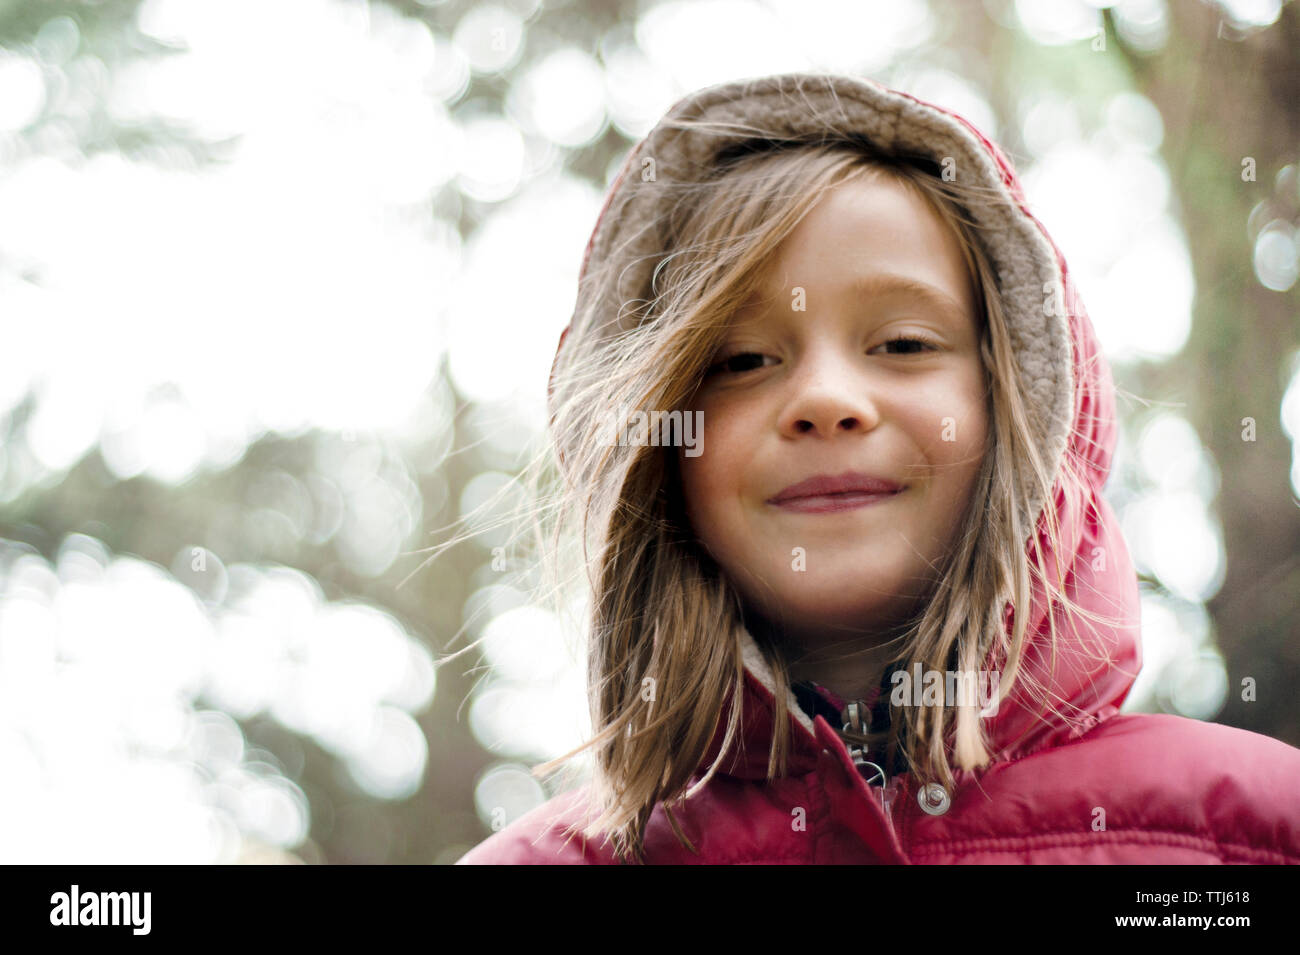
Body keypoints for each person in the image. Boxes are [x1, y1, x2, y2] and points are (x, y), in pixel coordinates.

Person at [456, 72, 1300, 864]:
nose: (824, 399)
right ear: (663, 445)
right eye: (743, 359)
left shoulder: (1248, 833)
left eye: (903, 344)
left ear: (1021, 411)